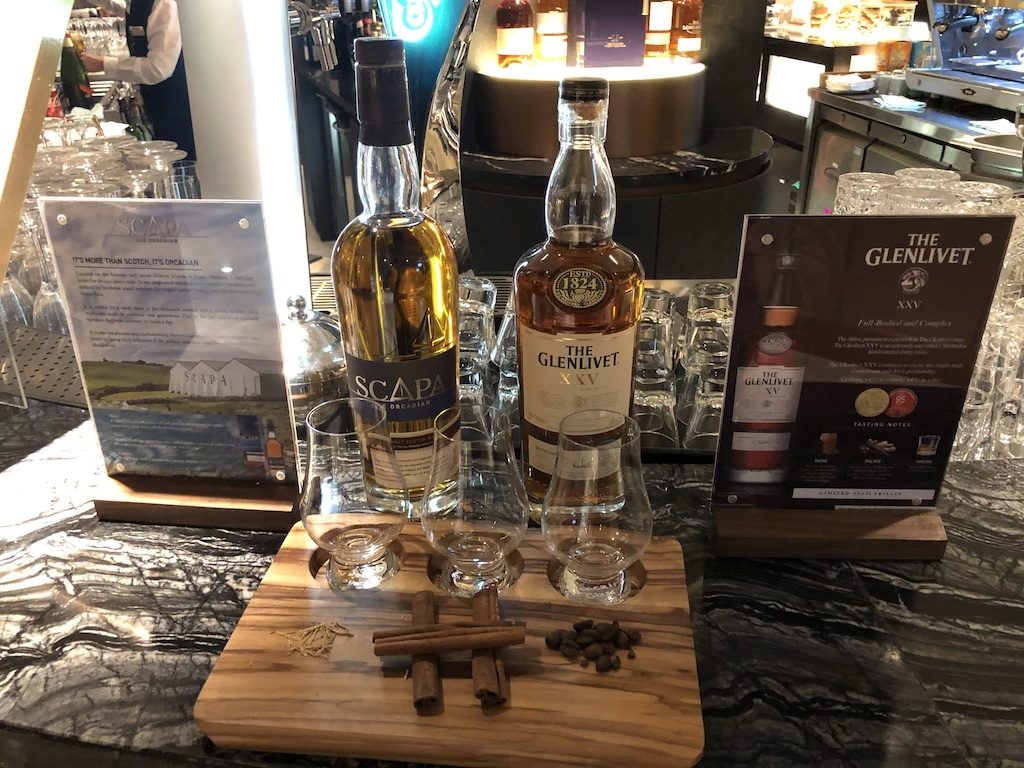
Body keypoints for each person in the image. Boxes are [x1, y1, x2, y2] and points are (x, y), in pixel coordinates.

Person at [80, 0, 196, 159]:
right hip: (159, 101)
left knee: (182, 159)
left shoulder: (164, 4)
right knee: (168, 156)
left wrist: (104, 64)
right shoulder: (135, 3)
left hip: (178, 104)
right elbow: (117, 6)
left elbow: (158, 68)